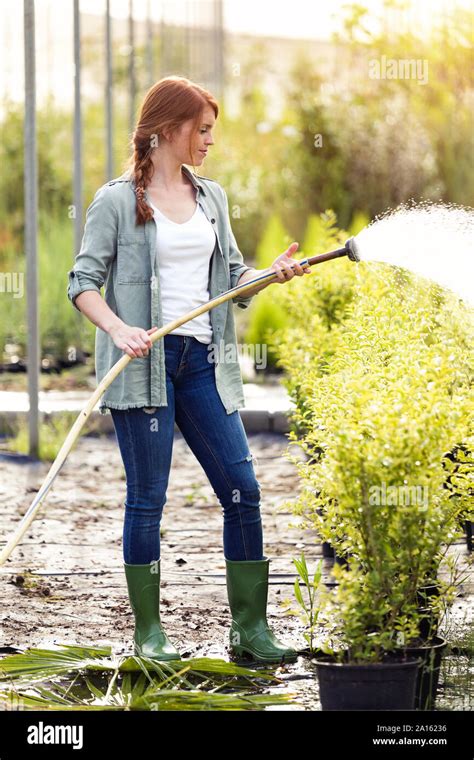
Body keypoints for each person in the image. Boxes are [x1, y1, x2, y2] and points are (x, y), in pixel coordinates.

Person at [67, 75, 311, 664]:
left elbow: (230, 277)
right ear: (168, 128)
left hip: (202, 362)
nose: (208, 141)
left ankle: (250, 631)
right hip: (144, 366)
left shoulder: (212, 198)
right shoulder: (118, 200)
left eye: (210, 132)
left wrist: (265, 276)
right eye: (201, 130)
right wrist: (120, 328)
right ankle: (149, 635)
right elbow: (82, 283)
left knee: (243, 490)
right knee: (148, 499)